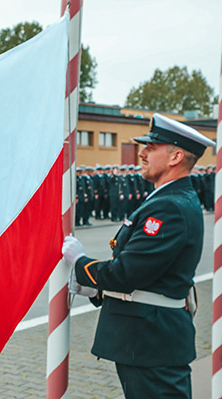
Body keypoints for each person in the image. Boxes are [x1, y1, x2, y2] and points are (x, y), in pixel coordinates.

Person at [62, 113, 216, 399]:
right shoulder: (165, 199)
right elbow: (150, 274)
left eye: (151, 148)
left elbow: (127, 273)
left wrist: (81, 263)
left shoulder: (170, 207)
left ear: (175, 157)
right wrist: (98, 290)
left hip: (151, 340)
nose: (142, 154)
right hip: (146, 337)